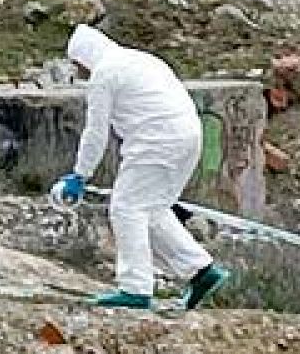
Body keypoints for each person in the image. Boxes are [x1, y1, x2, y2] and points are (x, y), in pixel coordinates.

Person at [54, 25, 229, 310]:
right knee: (153, 209)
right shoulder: (140, 59)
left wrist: (79, 175)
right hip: (189, 137)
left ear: (84, 58)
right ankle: (201, 272)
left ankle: (135, 289)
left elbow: (95, 132)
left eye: (78, 66)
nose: (79, 73)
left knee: (126, 208)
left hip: (156, 142)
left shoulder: (104, 74)